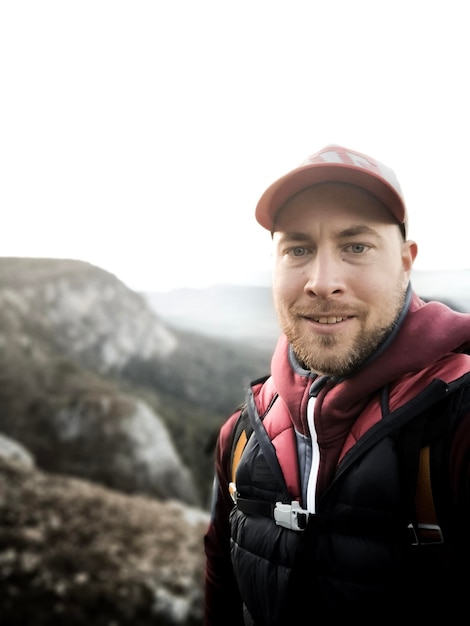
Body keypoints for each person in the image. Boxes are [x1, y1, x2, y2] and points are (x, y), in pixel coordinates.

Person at [203, 145, 470, 624]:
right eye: (299, 249)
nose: (322, 282)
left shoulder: (458, 420)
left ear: (407, 261)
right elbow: (221, 594)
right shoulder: (241, 436)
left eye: (356, 246)